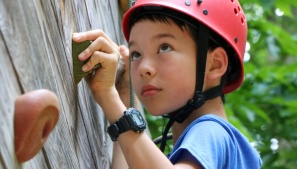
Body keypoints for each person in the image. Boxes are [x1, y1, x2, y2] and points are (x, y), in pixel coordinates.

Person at [72, 0, 262, 168]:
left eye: (164, 47)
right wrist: (122, 96)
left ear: (215, 64)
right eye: (136, 54)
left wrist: (108, 97)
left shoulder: (212, 132)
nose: (143, 68)